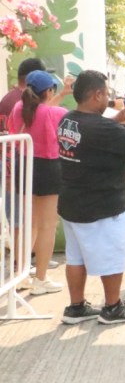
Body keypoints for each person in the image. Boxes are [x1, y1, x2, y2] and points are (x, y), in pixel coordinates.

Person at [56, 70, 125, 324]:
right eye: (106, 93)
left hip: (72, 203)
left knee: (75, 258)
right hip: (103, 205)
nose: (108, 97)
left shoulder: (68, 120)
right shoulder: (102, 128)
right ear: (97, 94)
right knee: (112, 256)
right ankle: (113, 307)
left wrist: (115, 120)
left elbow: (93, 131)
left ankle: (76, 307)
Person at [7, 69, 73, 294]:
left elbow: (41, 110)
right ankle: (41, 279)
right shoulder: (56, 113)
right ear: (49, 91)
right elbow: (51, 113)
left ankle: (22, 275)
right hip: (47, 167)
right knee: (47, 225)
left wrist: (61, 94)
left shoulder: (19, 108)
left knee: (30, 223)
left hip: (23, 164)